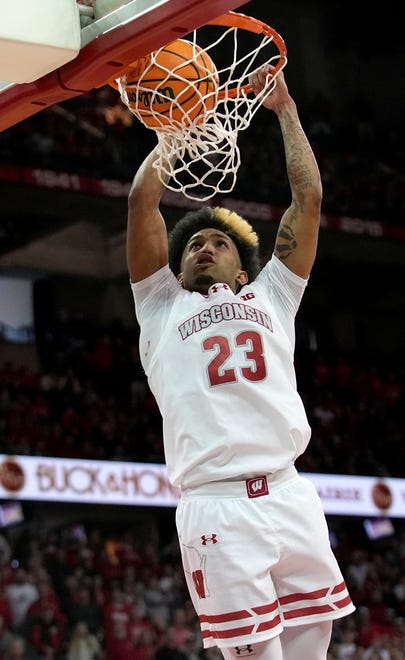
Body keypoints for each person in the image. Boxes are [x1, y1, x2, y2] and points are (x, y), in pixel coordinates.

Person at [126, 63, 355, 660]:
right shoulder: (159, 304)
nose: (205, 246)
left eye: (219, 242)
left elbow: (308, 198)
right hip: (218, 505)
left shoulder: (274, 294)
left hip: (289, 491)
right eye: (195, 244)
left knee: (315, 645)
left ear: (243, 269)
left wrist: (285, 110)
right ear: (178, 270)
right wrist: (174, 135)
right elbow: (141, 205)